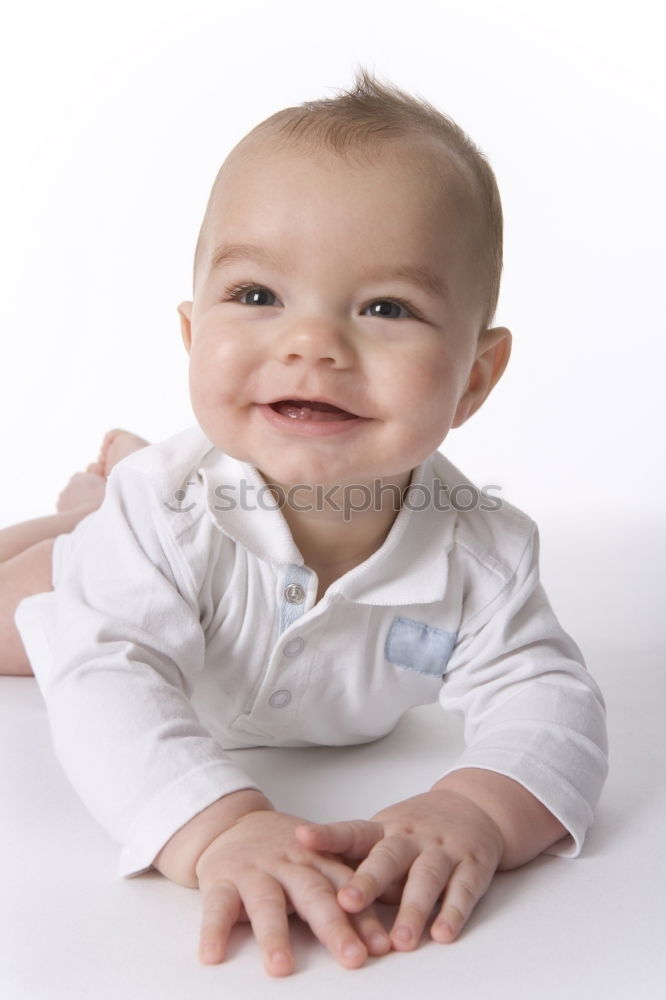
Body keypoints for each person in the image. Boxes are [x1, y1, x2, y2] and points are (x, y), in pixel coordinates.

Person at [0, 68, 608, 978]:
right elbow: (105, 677)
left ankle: (106, 487)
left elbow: (549, 695)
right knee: (35, 606)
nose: (313, 343)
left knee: (114, 528)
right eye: (256, 296)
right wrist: (220, 826)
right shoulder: (165, 523)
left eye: (386, 308)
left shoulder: (485, 554)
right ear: (191, 332)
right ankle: (95, 504)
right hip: (145, 540)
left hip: (161, 528)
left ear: (475, 379)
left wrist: (481, 806)